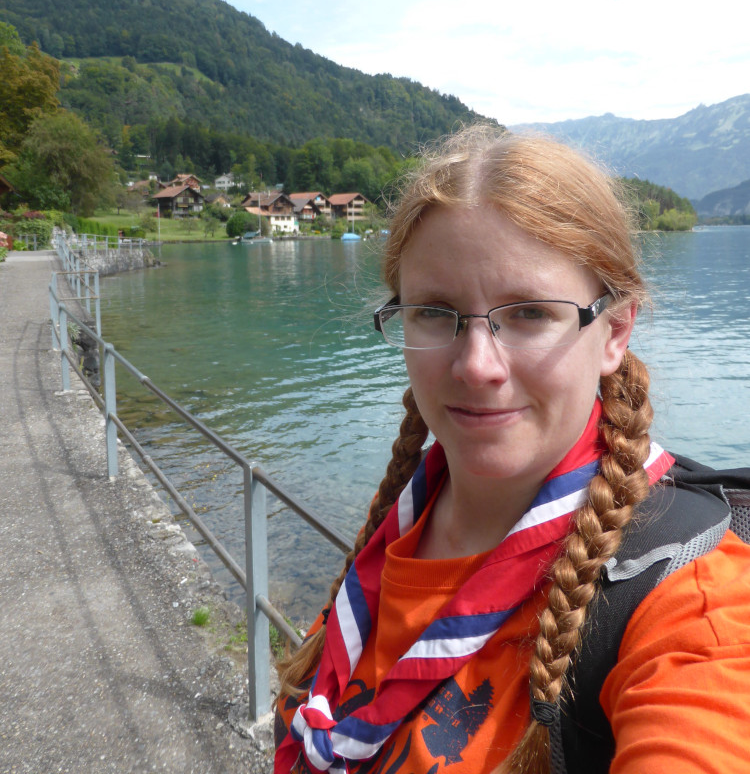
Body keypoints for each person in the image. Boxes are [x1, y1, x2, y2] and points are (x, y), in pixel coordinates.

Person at [274, 126, 750, 774]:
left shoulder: (693, 599)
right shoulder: (406, 519)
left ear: (613, 330)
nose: (476, 366)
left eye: (528, 312)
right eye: (436, 312)